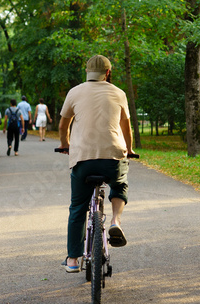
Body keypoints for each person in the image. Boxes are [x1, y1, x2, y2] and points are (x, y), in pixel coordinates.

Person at [57, 55, 135, 273]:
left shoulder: (74, 92)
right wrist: (129, 149)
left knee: (77, 208)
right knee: (119, 184)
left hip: (83, 160)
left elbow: (63, 125)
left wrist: (66, 145)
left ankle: (73, 260)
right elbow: (125, 126)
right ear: (108, 72)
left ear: (87, 72)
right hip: (112, 159)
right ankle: (115, 222)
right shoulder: (119, 93)